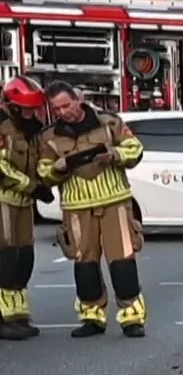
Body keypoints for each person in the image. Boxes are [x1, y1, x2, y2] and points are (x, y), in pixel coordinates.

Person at [35, 80, 147, 338]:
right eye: (56, 108)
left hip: (114, 202)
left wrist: (114, 155)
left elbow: (135, 148)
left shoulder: (109, 122)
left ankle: (132, 318)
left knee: (122, 261)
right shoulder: (49, 136)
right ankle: (92, 317)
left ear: (78, 98)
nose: (63, 112)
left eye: (66, 105)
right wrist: (56, 169)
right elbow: (43, 172)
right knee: (84, 264)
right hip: (76, 208)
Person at [0, 77, 52, 340]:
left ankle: (17, 316)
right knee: (6, 259)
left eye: (35, 109)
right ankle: (2, 319)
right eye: (27, 109)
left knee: (24, 260)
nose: (32, 114)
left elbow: (40, 161)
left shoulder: (32, 131)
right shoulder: (3, 130)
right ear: (13, 106)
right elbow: (2, 169)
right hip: (3, 202)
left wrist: (46, 180)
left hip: (24, 204)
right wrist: (32, 185)